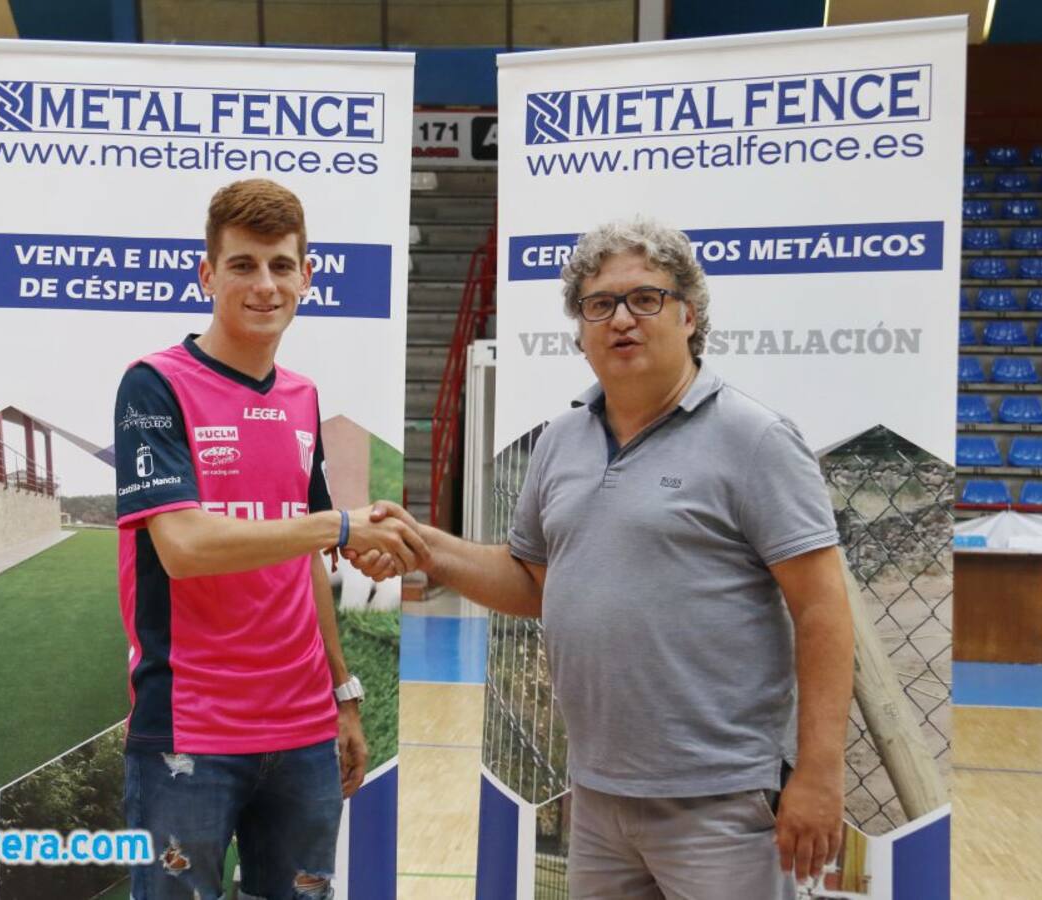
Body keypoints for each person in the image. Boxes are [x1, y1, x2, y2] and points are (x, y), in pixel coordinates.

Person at [352, 219, 854, 899]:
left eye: (645, 298)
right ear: (581, 327)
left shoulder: (756, 439)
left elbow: (821, 607)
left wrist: (820, 773)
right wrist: (423, 543)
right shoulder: (561, 441)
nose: (621, 319)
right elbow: (531, 581)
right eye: (600, 304)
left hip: (723, 800)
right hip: (595, 796)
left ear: (688, 315)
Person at [113, 178, 425, 900]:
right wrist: (339, 524)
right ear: (207, 274)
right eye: (243, 265)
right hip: (189, 732)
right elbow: (184, 548)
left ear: (307, 276)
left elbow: (305, 558)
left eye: (282, 265)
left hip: (305, 731)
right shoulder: (154, 384)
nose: (265, 285)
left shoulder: (302, 396)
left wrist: (343, 693)